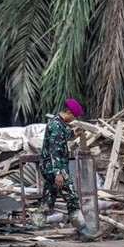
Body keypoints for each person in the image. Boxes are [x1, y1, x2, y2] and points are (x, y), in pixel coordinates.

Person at [31, 98, 89, 238]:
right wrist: (58, 173)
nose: (74, 119)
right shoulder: (57, 126)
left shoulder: (57, 123)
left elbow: (62, 137)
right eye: (74, 116)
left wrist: (73, 132)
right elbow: (55, 151)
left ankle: (36, 226)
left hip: (49, 168)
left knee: (48, 197)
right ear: (68, 112)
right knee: (72, 197)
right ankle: (83, 231)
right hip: (55, 169)